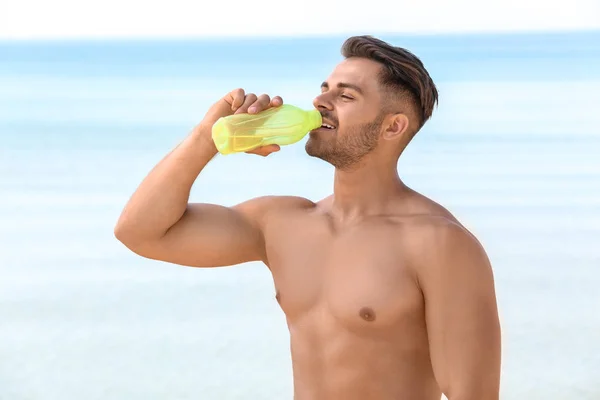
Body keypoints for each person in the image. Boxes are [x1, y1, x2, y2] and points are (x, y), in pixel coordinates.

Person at [114, 35, 501, 400]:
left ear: (393, 126)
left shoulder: (438, 243)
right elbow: (140, 232)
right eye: (325, 88)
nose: (321, 101)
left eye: (345, 95)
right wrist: (207, 137)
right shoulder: (283, 223)